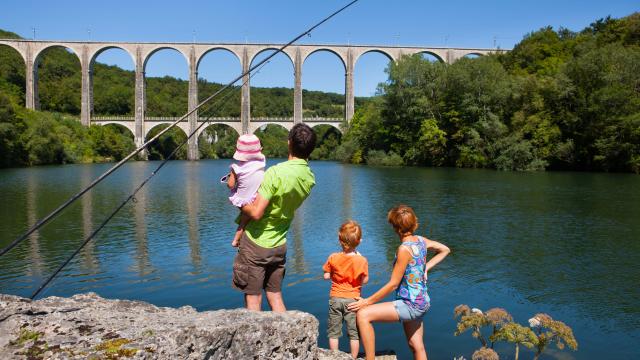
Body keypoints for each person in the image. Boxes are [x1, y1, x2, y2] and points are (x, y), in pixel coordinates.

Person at [232, 123, 317, 312]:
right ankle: (287, 337)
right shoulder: (309, 177)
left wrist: (235, 194)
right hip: (279, 245)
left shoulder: (275, 173)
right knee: (275, 295)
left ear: (289, 143)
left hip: (257, 243)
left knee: (253, 300)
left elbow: (255, 212)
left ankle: (254, 341)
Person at [348, 205, 450, 360]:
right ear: (415, 223)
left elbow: (393, 284)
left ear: (395, 228)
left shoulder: (404, 250)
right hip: (422, 302)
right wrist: (424, 268)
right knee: (416, 345)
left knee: (363, 315)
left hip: (410, 304)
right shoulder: (421, 241)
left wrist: (367, 302)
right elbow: (445, 249)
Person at [323, 220, 369, 359]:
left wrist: (333, 274)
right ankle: (353, 357)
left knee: (333, 331)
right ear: (359, 241)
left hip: (335, 298)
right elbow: (365, 280)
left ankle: (335, 356)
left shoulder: (333, 257)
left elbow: (326, 276)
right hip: (353, 300)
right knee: (354, 333)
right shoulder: (362, 260)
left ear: (339, 239)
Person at [221, 134, 266, 247]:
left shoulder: (236, 167)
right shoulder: (261, 163)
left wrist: (231, 178)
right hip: (256, 196)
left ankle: (236, 240)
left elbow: (231, 185)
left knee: (244, 219)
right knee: (245, 219)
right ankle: (238, 239)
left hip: (243, 199)